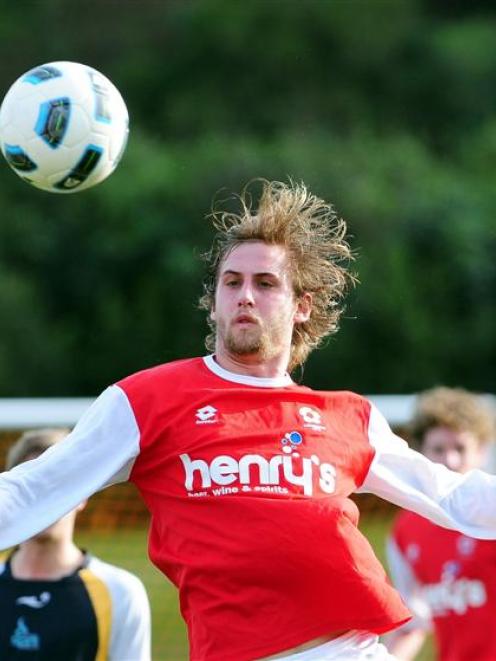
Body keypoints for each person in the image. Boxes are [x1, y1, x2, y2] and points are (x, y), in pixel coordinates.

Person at [1, 179, 496, 661]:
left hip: (353, 650)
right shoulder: (145, 399)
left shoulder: (349, 416)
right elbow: (34, 489)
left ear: (302, 306)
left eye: (265, 283)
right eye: (231, 282)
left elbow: (452, 496)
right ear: (214, 302)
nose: (244, 295)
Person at [0, 428, 151, 661]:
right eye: (31, 490)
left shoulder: (121, 592)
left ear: (83, 493)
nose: (42, 502)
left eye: (55, 487)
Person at [385, 387, 496, 661]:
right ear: (419, 453)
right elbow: (413, 620)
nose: (450, 460)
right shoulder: (404, 531)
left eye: (460, 448)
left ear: (481, 451)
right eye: (438, 449)